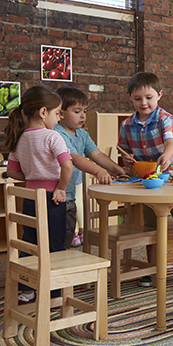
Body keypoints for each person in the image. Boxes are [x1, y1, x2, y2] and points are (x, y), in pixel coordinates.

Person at [117, 71, 173, 286]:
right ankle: (153, 267)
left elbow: (171, 142)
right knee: (152, 224)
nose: (143, 103)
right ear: (130, 98)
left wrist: (165, 155)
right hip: (148, 178)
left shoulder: (165, 118)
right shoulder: (127, 124)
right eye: (137, 99)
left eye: (148, 97)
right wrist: (126, 160)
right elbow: (124, 150)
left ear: (159, 95)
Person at [4, 85, 73, 303]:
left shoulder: (20, 138)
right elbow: (68, 166)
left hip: (30, 199)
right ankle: (52, 293)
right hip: (52, 199)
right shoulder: (52, 137)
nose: (58, 119)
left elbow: (11, 171)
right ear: (43, 113)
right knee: (54, 246)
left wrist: (32, 176)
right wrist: (61, 188)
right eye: (56, 113)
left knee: (30, 243)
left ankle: (27, 291)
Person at [54, 86, 127, 247]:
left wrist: (117, 169)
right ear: (61, 113)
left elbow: (97, 154)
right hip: (56, 195)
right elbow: (75, 159)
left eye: (84, 111)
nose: (83, 116)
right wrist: (98, 170)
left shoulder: (82, 134)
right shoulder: (57, 133)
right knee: (57, 240)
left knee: (66, 238)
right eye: (77, 111)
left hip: (69, 195)